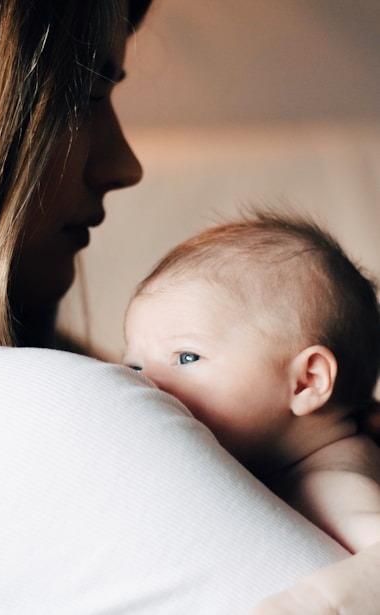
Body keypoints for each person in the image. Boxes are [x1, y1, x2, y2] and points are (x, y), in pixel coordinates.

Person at [0, 1, 371, 612]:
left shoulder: (343, 483)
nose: (127, 165)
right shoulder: (12, 409)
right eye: (84, 96)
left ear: (310, 380)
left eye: (187, 355)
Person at [123, 210, 380, 613]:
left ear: (306, 382)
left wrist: (319, 602)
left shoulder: (331, 483)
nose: (144, 381)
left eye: (187, 356)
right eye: (134, 365)